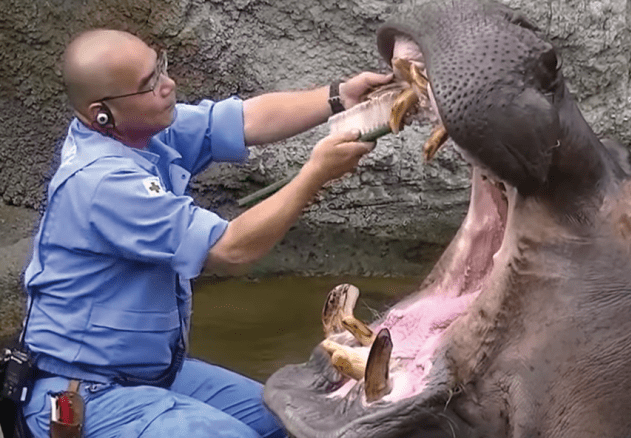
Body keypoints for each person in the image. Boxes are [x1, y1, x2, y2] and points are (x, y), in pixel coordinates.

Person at [20, 29, 392, 438]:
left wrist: (338, 97)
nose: (169, 85)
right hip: (88, 391)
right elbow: (231, 250)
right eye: (149, 84)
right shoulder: (102, 183)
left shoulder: (143, 133)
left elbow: (242, 119)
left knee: (294, 421)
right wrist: (314, 175)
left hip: (153, 373)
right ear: (102, 113)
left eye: (159, 67)